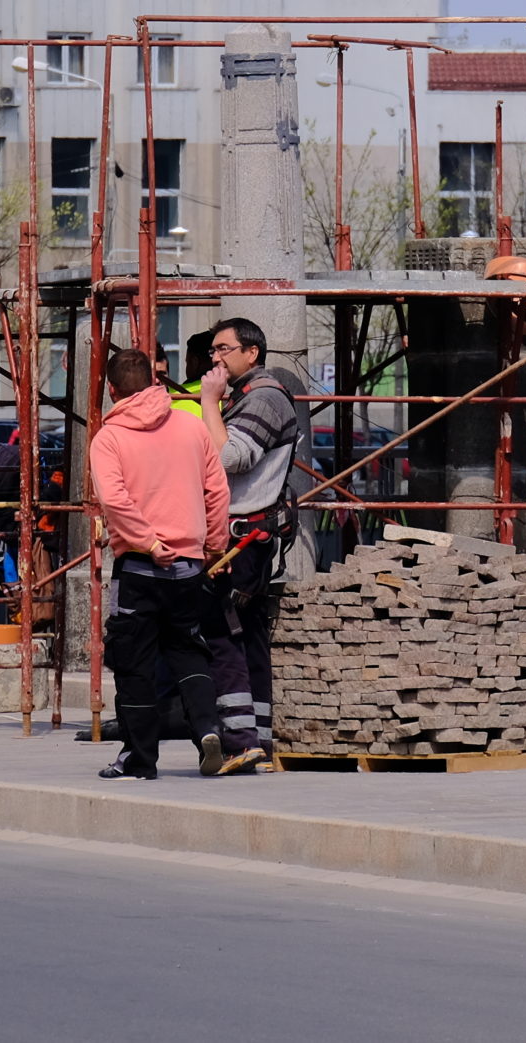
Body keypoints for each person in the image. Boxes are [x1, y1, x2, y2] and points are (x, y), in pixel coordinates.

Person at [93, 345, 231, 781]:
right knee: (188, 651)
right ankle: (208, 730)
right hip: (189, 564)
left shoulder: (109, 438)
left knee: (134, 663)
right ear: (156, 383)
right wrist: (214, 544)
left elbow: (114, 500)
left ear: (113, 391)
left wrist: (149, 543)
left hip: (139, 566)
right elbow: (217, 490)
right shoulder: (191, 428)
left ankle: (140, 758)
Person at [197, 317, 304, 772]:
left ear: (251, 353)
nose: (215, 358)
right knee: (250, 635)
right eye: (213, 351)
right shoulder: (248, 397)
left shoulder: (263, 398)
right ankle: (258, 740)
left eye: (223, 349)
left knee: (223, 634)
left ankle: (241, 740)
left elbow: (232, 458)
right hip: (249, 537)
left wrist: (206, 403)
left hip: (242, 540)